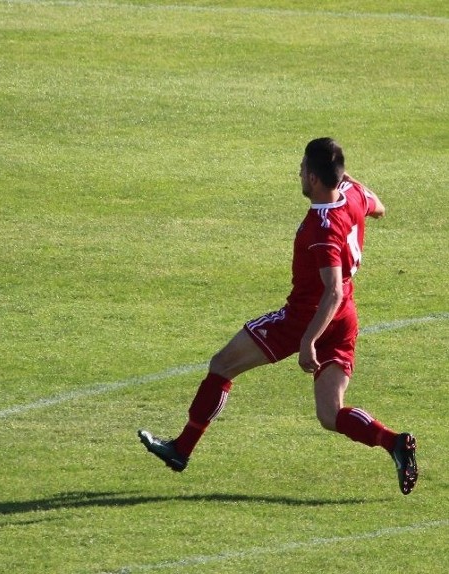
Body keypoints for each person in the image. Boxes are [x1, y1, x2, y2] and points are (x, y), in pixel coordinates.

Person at [138, 138, 418, 495]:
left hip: (305, 318)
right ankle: (395, 443)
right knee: (330, 414)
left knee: (222, 364)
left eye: (302, 168)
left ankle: (181, 449)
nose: (298, 172)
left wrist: (307, 341)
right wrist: (355, 195)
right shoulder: (352, 192)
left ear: (315, 179)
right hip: (345, 316)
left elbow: (329, 290)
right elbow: (379, 207)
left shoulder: (323, 230)